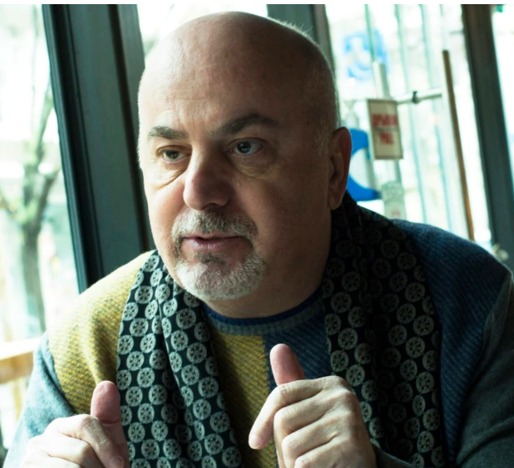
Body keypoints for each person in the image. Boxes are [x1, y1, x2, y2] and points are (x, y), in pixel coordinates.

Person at [5, 11, 514, 468]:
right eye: (171, 154)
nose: (199, 192)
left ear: (333, 168)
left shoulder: (464, 300)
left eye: (245, 147)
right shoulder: (87, 346)